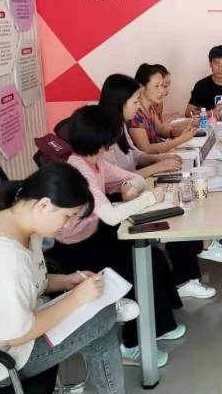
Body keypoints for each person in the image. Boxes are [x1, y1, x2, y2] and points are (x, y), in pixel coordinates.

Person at [0, 163, 126, 393]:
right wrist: (76, 299)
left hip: (4, 335)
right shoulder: (4, 258)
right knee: (103, 316)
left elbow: (33, 282)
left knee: (100, 319)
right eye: (67, 216)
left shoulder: (21, 224)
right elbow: (16, 336)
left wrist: (68, 281)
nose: (68, 225)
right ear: (44, 205)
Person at [45, 105, 181, 368]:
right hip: (74, 250)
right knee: (137, 269)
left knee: (152, 257)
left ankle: (158, 325)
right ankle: (132, 344)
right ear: (102, 142)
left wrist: (130, 187)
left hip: (94, 235)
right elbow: (109, 216)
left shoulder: (95, 163)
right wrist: (149, 198)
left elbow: (132, 178)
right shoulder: (80, 172)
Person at [99, 73, 221, 298]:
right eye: (134, 101)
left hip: (136, 186)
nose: (138, 106)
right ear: (120, 102)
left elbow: (136, 155)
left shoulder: (120, 125)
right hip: (122, 198)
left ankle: (195, 261)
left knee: (181, 199)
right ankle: (185, 278)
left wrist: (160, 159)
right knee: (176, 210)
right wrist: (158, 165)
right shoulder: (104, 134)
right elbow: (116, 181)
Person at [130, 64, 197, 154]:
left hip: (159, 155)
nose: (162, 91)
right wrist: (180, 140)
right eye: (156, 86)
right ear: (141, 87)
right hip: (150, 160)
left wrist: (175, 132)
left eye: (162, 85)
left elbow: (160, 129)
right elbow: (146, 149)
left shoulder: (149, 107)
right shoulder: (135, 112)